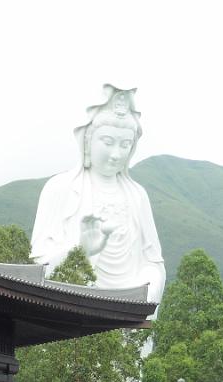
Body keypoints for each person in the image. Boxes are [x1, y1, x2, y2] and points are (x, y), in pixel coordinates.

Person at [30, 85, 165, 305]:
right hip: (77, 313)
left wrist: (148, 286)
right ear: (87, 141)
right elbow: (39, 272)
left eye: (125, 145)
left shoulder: (137, 196)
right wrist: (81, 250)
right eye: (108, 142)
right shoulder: (60, 188)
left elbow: (153, 263)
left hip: (131, 312)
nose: (116, 154)